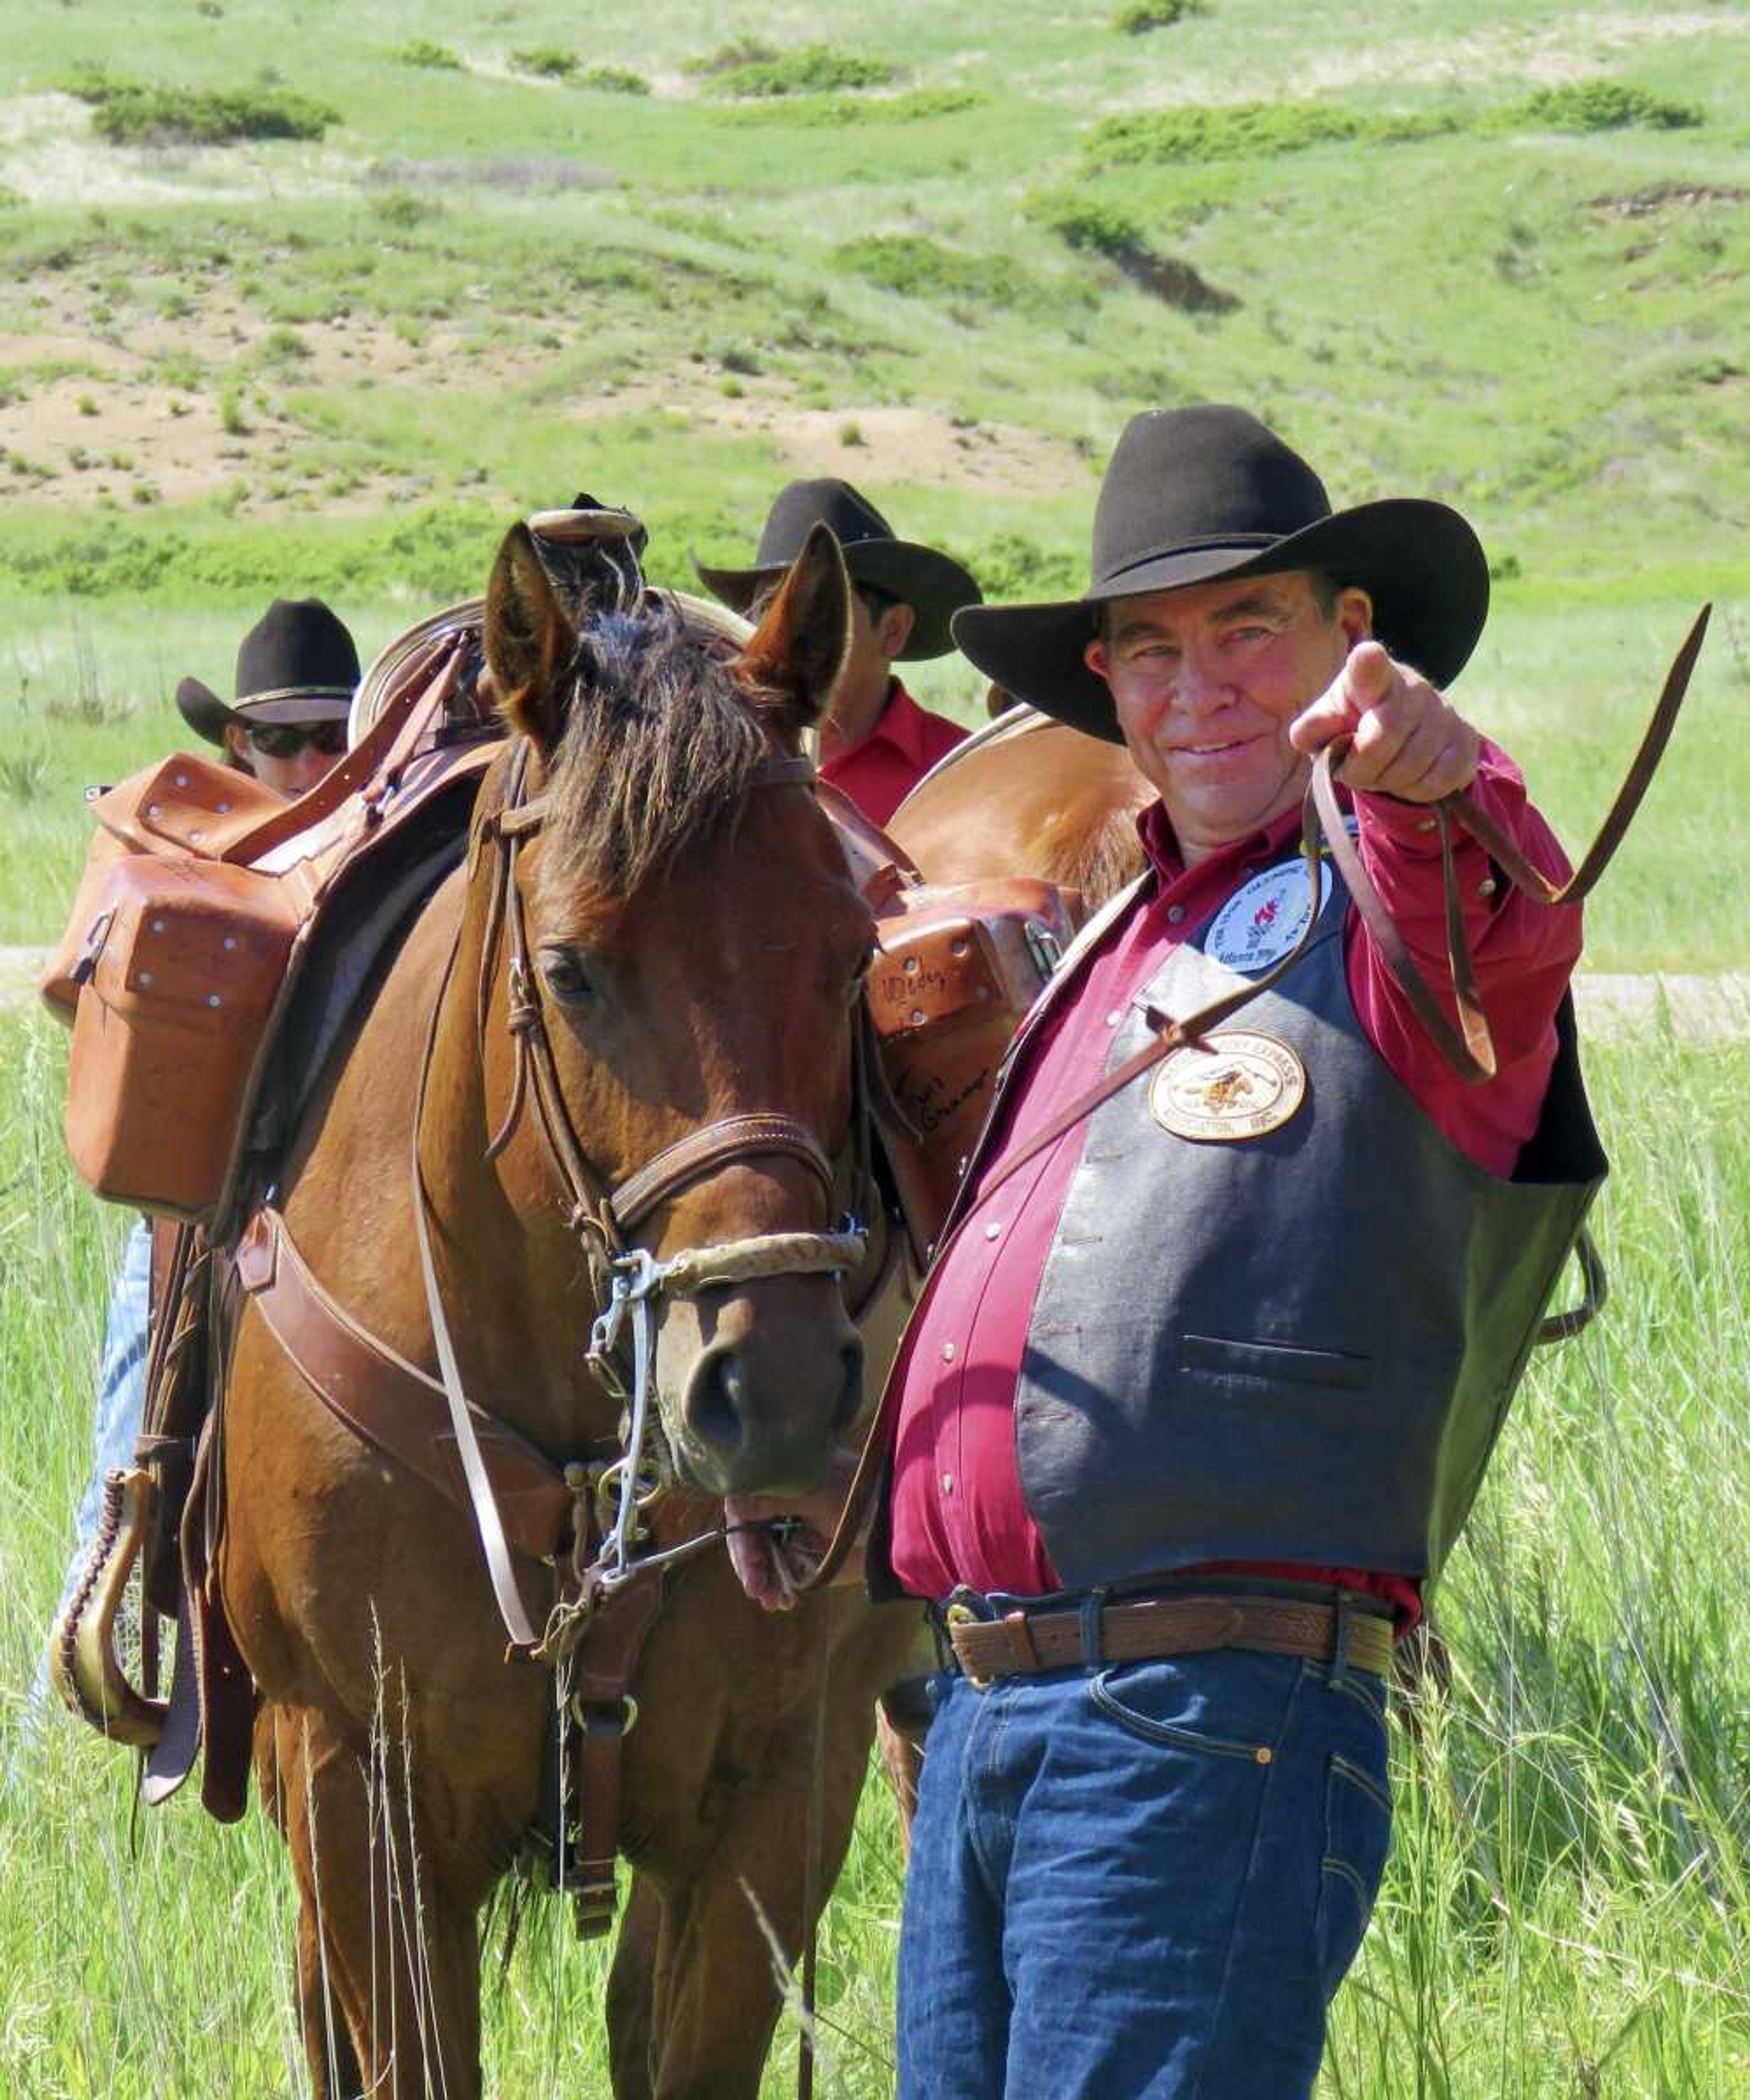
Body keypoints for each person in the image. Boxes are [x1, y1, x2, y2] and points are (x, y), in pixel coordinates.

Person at [874, 405, 1602, 2097]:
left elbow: (1487, 917)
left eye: (1246, 630)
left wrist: (1433, 765)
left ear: (1354, 638)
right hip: (991, 1706)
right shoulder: (1121, 930)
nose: (1194, 685)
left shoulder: (1394, 883)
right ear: (1107, 686)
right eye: (1150, 645)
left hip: (1201, 1712)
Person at [25, 599, 359, 1747]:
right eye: (284, 739)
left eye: (333, 735)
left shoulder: (388, 843)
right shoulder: (192, 839)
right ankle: (53, 1745)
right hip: (188, 1219)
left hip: (335, 1230)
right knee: (127, 1480)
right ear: (239, 746)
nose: (311, 762)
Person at [697, 478, 980, 827]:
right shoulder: (712, 765)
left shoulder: (968, 774)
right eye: (768, 610)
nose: (788, 632)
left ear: (894, 629)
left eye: (823, 609)